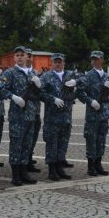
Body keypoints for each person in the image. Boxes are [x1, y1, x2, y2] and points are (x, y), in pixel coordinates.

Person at [0, 46, 39, 185]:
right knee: (16, 144)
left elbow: (39, 93)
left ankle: (24, 172)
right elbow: (0, 88)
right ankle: (15, 175)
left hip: (31, 115)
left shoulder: (33, 73)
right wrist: (14, 97)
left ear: (27, 57)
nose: (20, 57)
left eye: (23, 55)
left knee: (27, 145)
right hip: (17, 116)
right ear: (14, 58)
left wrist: (40, 85)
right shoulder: (10, 73)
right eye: (18, 55)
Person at [75, 51, 109, 176]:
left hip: (104, 113)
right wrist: (90, 101)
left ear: (102, 60)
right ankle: (91, 166)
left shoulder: (106, 75)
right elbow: (79, 92)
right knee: (91, 139)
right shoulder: (88, 76)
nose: (95, 61)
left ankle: (98, 163)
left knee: (101, 139)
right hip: (93, 113)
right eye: (93, 59)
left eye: (97, 59)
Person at [40, 53, 75, 181]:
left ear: (64, 63)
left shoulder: (69, 75)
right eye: (55, 62)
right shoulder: (46, 76)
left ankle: (60, 167)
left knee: (63, 143)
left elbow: (83, 82)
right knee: (52, 144)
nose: (58, 64)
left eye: (60, 61)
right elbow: (40, 92)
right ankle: (52, 170)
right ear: (51, 63)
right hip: (52, 118)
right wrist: (52, 99)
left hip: (66, 117)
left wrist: (76, 83)